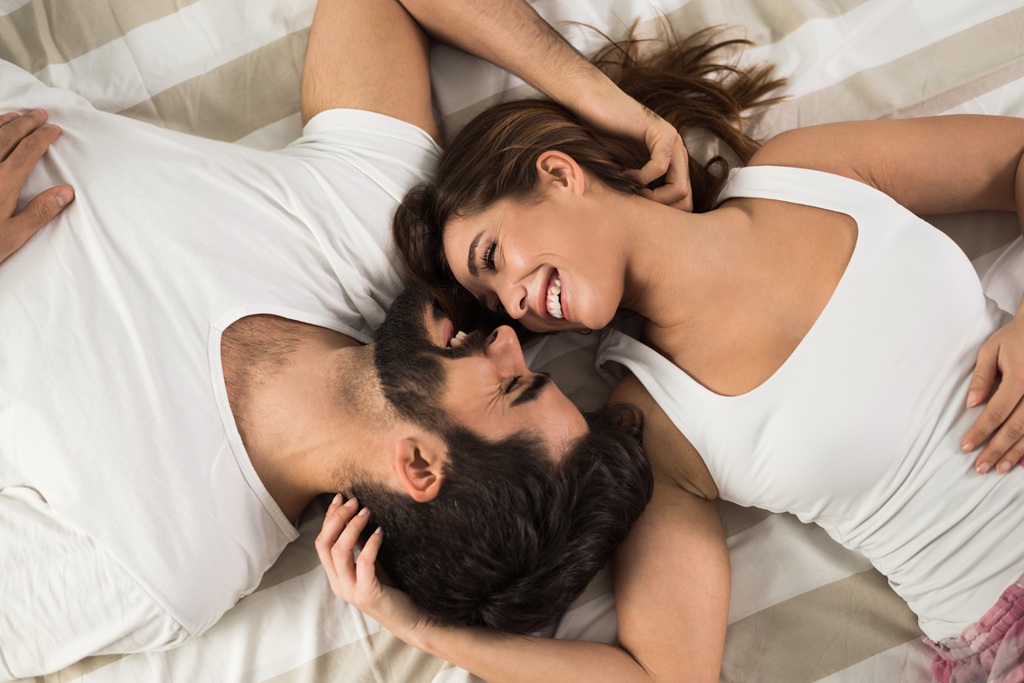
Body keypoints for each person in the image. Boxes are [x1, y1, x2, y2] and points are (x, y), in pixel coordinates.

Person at [318, 26, 1024, 683]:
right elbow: (663, 674)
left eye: (495, 256)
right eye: (495, 296)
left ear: (559, 174)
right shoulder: (655, 427)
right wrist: (413, 626)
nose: (513, 302)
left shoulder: (805, 172)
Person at [0, 0, 675, 678]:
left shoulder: (161, 563)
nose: (505, 337)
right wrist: (606, 103)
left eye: (512, 384)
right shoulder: (368, 229)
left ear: (417, 465)